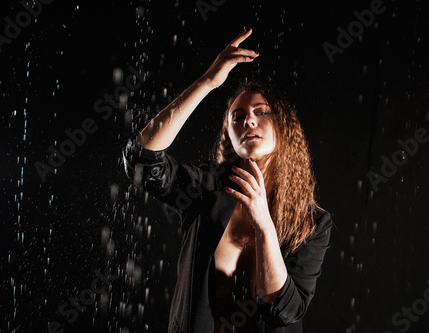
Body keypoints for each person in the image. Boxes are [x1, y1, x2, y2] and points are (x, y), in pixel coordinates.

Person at [122, 28, 333, 333]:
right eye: (237, 116)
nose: (248, 120)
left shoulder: (312, 223)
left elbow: (285, 308)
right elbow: (142, 160)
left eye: (262, 113)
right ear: (230, 137)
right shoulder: (206, 187)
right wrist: (206, 83)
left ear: (284, 129)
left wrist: (263, 222)